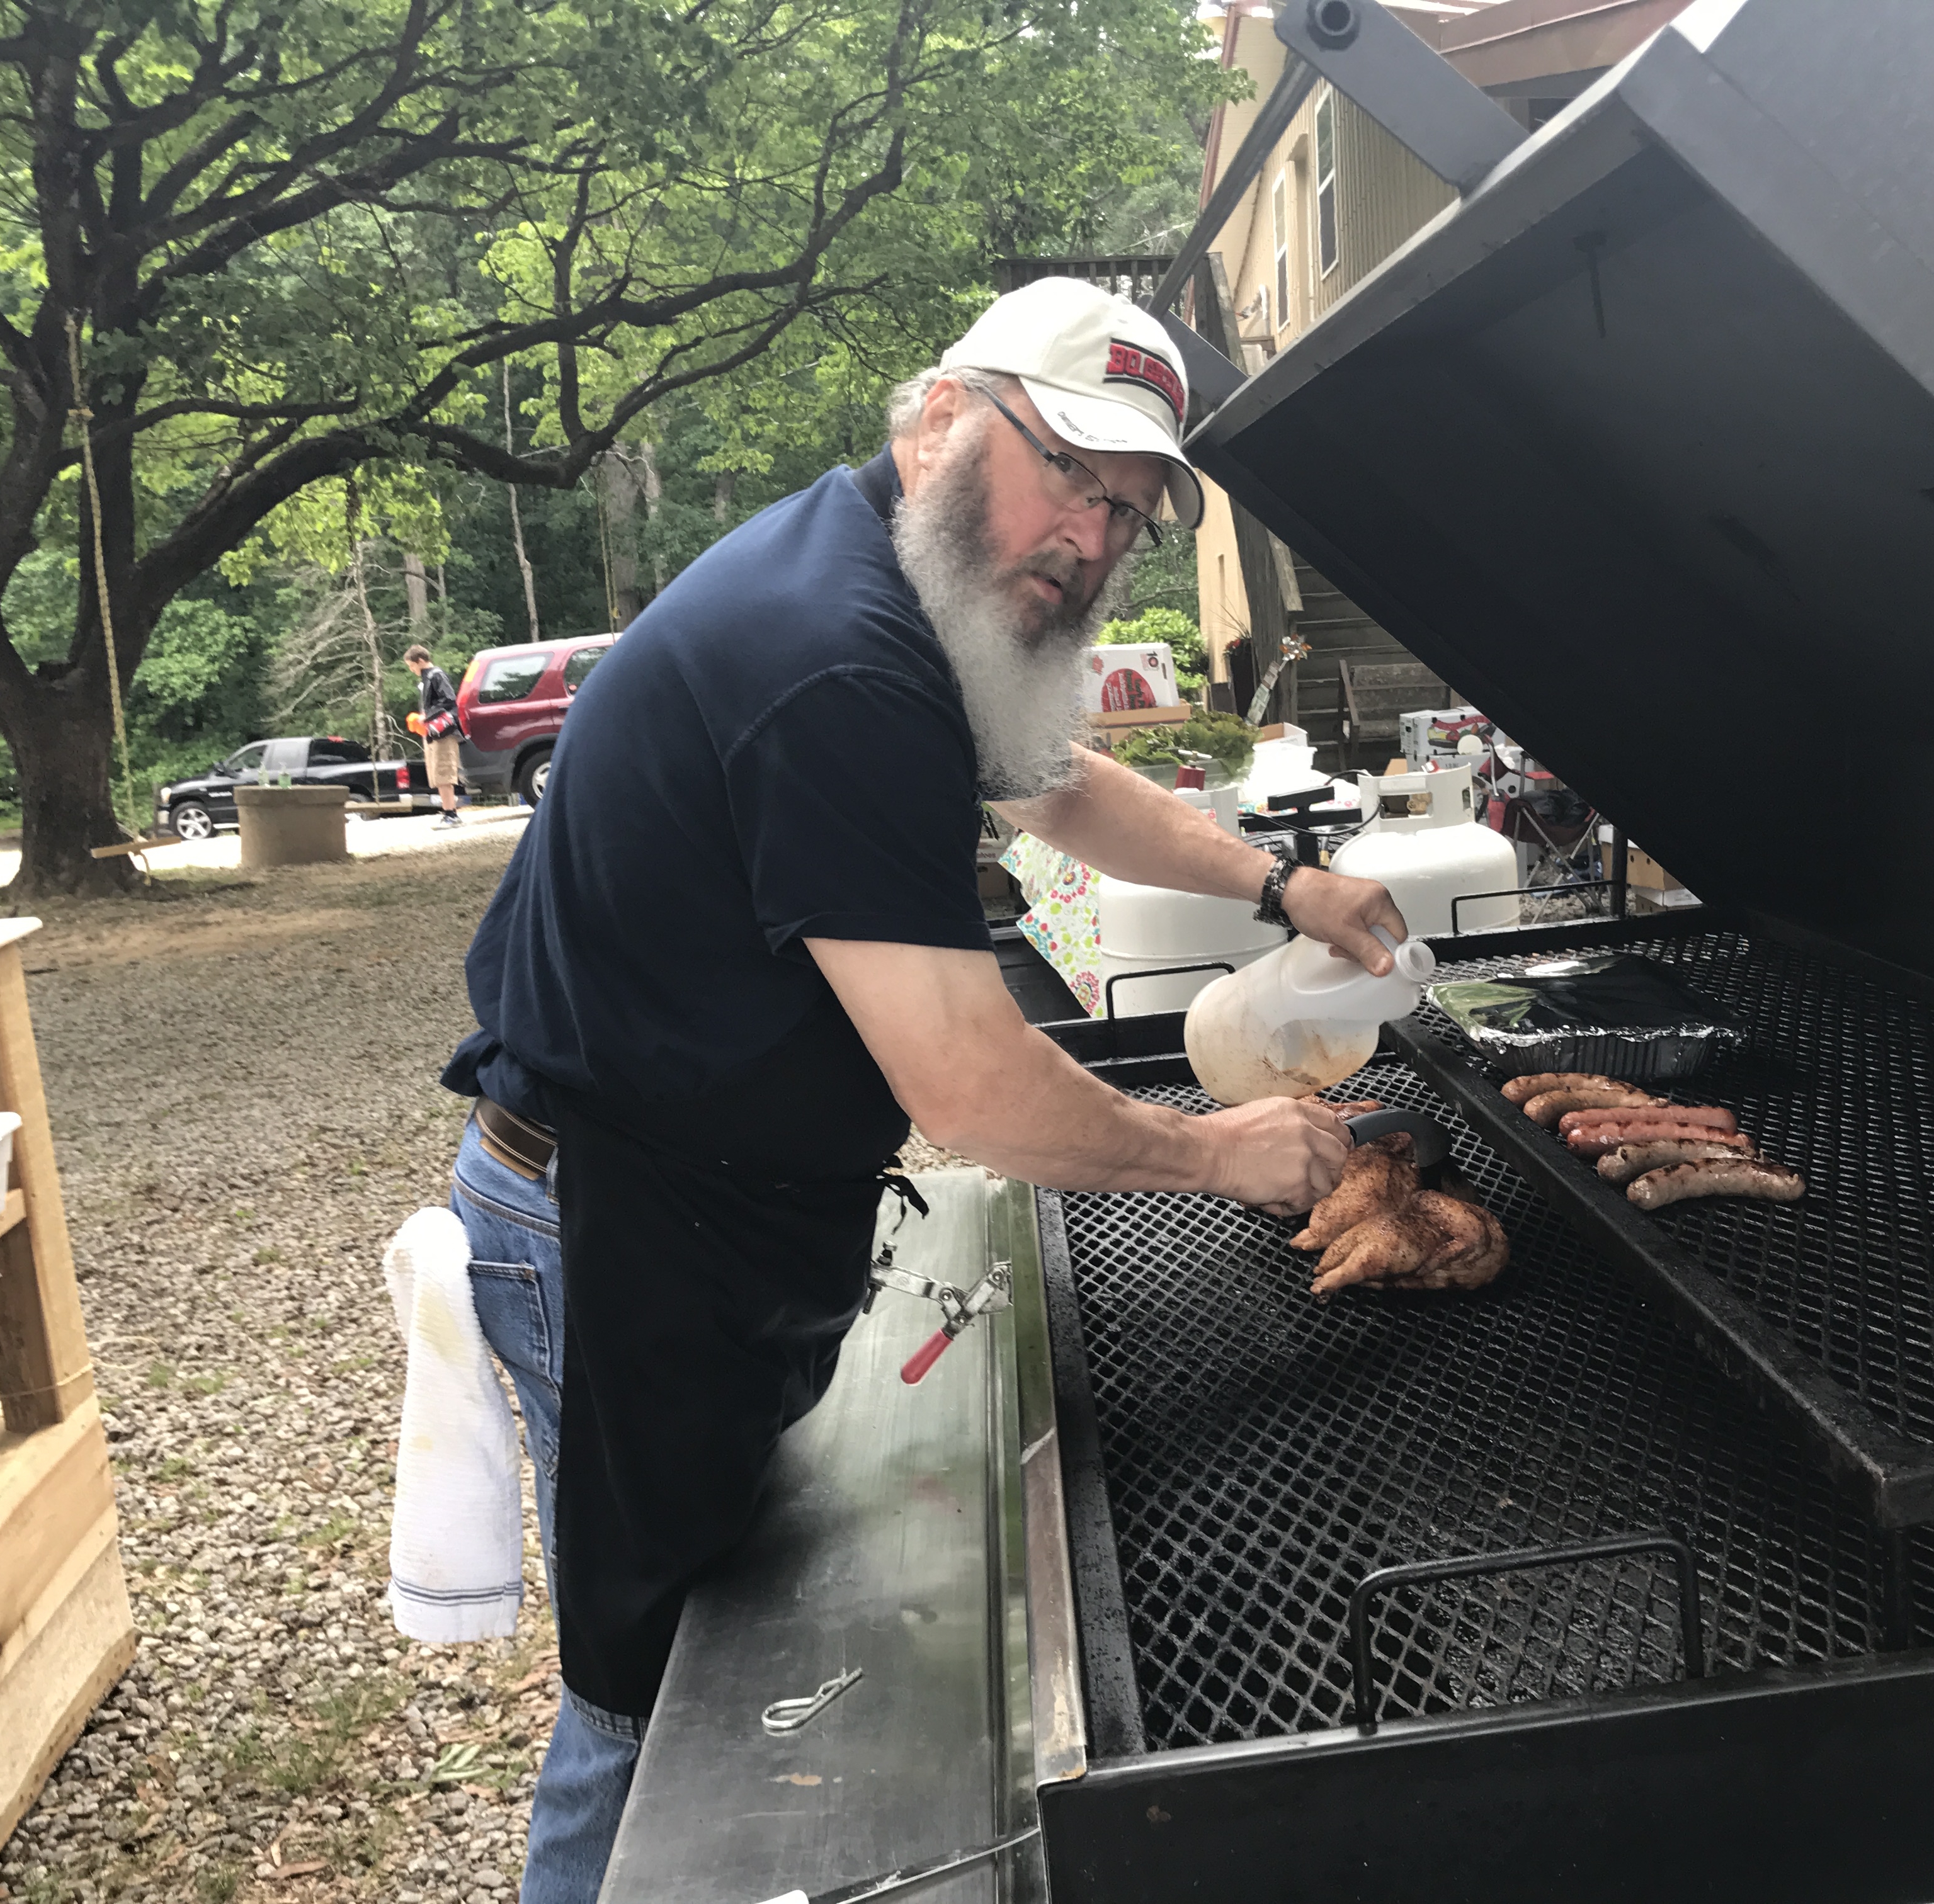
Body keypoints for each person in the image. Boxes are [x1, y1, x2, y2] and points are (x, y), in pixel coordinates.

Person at [438, 277, 1409, 1902]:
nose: (1091, 539)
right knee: (651, 1693)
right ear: (949, 415)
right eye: (1069, 477)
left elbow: (1059, 781)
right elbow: (973, 1087)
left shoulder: (877, 567)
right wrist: (1219, 1151)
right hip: (623, 1228)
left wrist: (1280, 889)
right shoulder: (838, 661)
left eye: (1129, 511)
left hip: (682, 1191)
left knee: (686, 1657)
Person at [405, 644, 464, 827]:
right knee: (438, 774)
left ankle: (451, 815)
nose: (412, 670)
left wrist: (427, 716)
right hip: (433, 733)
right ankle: (448, 812)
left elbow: (449, 700)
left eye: (412, 666)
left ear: (421, 661)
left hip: (444, 733)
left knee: (444, 771)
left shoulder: (436, 675)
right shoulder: (426, 679)